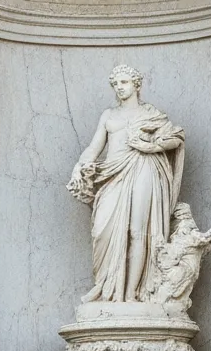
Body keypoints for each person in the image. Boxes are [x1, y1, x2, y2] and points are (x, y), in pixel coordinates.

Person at [67, 66, 187, 305]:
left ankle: (132, 293)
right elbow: (94, 147)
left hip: (143, 169)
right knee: (102, 230)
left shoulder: (151, 114)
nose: (119, 87)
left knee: (137, 231)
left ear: (136, 85)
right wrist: (80, 165)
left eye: (124, 82)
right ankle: (105, 287)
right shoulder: (108, 115)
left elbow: (176, 138)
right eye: (115, 84)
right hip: (113, 174)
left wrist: (151, 147)